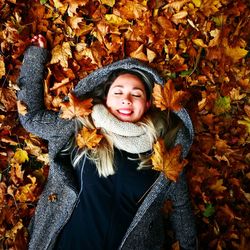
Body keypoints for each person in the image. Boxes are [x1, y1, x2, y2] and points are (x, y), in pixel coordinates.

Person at [17, 35, 197, 250]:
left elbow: (181, 206)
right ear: (106, 98)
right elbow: (32, 118)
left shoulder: (165, 151)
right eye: (118, 92)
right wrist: (35, 58)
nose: (126, 99)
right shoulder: (80, 127)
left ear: (148, 103)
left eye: (136, 94)